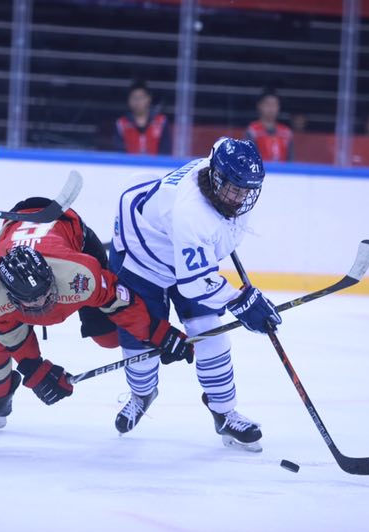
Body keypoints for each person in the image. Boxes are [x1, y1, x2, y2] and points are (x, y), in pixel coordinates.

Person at [0, 198, 194, 430]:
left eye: (44, 294)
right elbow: (9, 332)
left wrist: (159, 334)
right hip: (12, 238)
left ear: (50, 278)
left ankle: (144, 387)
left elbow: (121, 303)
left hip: (71, 232)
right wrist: (35, 370)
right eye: (30, 301)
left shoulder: (79, 274)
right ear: (9, 293)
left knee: (109, 337)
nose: (41, 304)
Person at [109, 137, 281, 452]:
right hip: (141, 252)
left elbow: (211, 245)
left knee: (209, 330)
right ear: (215, 178)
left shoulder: (223, 185)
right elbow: (193, 283)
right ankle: (142, 393)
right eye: (234, 188)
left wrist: (237, 297)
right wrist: (241, 301)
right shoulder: (192, 213)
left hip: (177, 241)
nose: (241, 196)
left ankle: (225, 412)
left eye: (248, 189)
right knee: (140, 334)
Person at [114, 80, 172, 155]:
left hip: (156, 165)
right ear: (128, 100)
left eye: (141, 97)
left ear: (148, 99)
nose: (137, 101)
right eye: (134, 98)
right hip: (129, 165)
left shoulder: (161, 121)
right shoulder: (121, 124)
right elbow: (119, 151)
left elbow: (165, 150)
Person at [246, 91, 294, 162]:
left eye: (274, 104)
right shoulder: (252, 131)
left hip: (282, 172)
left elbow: (291, 160)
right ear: (260, 106)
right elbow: (248, 158)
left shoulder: (286, 132)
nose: (271, 108)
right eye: (268, 104)